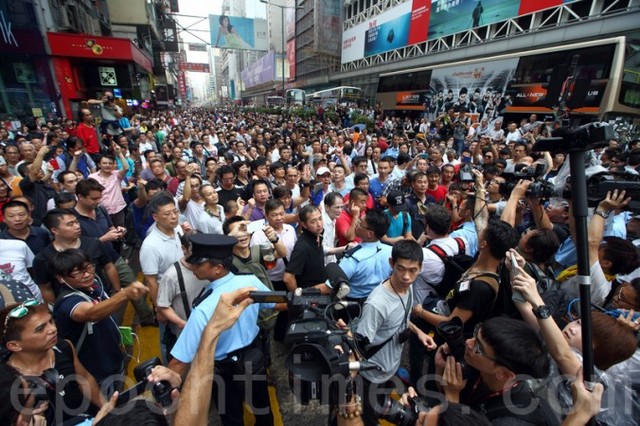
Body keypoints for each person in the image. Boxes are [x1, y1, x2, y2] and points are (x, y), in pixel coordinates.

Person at [168, 234, 276, 426]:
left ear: (217, 268)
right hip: (253, 360)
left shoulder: (203, 308)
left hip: (223, 373)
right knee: (263, 408)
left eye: (199, 264)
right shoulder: (249, 282)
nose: (193, 267)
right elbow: (274, 303)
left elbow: (179, 361)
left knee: (231, 418)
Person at [353, 240, 437, 425]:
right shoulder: (377, 304)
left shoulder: (408, 287)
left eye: (413, 270)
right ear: (391, 264)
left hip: (389, 370)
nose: (406, 276)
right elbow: (357, 347)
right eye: (401, 269)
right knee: (368, 417)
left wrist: (418, 332)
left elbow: (400, 319)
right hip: (370, 378)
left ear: (420, 268)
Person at [50, 249, 148, 390]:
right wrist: (125, 293)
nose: (87, 274)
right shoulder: (67, 302)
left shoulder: (94, 284)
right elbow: (91, 313)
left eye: (89, 267)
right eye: (78, 273)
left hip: (114, 358)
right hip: (97, 372)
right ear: (61, 278)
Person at [0, 301, 106, 424]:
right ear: (14, 345)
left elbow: (84, 378)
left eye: (51, 321)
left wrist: (106, 407)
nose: (53, 329)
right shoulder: (7, 381)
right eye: (40, 329)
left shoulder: (64, 347)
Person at [338, 209, 393, 307]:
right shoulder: (391, 252)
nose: (356, 224)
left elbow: (331, 285)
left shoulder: (353, 258)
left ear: (370, 234)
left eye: (360, 223)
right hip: (382, 303)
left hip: (353, 307)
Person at [284, 205, 331, 293]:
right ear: (304, 225)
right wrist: (299, 298)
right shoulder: (302, 247)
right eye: (313, 221)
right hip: (310, 294)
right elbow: (288, 278)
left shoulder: (318, 234)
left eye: (320, 218)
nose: (319, 224)